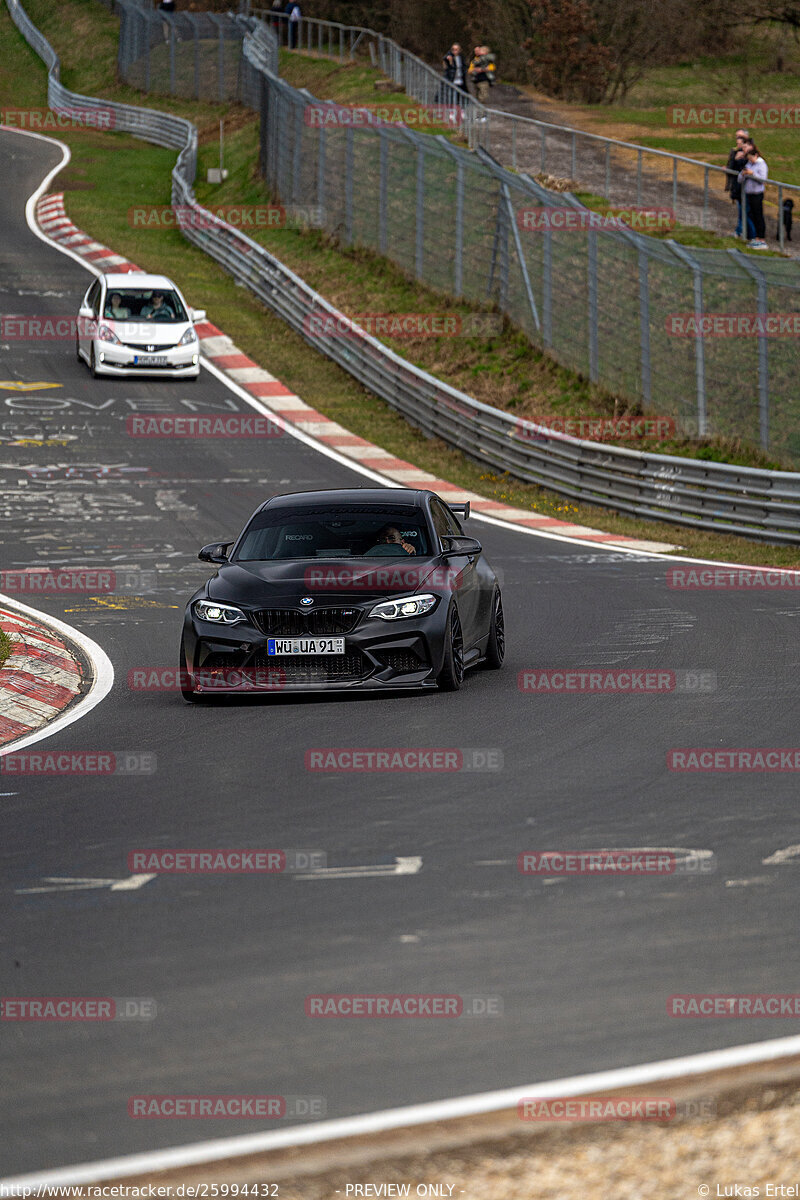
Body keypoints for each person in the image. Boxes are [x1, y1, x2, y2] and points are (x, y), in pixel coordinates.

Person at [739, 145, 768, 248]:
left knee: (758, 215)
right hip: (749, 193)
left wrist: (752, 174)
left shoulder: (761, 164)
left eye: (751, 158)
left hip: (757, 194)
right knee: (751, 215)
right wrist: (743, 174)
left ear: (756, 155)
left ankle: (761, 238)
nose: (750, 161)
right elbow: (740, 179)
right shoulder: (749, 164)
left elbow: (763, 180)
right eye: (749, 159)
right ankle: (756, 237)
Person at [468, 45, 495, 113]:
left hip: (484, 80)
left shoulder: (488, 60)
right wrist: (475, 69)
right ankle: (478, 112)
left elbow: (492, 67)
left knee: (483, 96)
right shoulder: (475, 60)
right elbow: (469, 70)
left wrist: (482, 69)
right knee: (477, 97)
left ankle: (482, 111)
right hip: (476, 80)